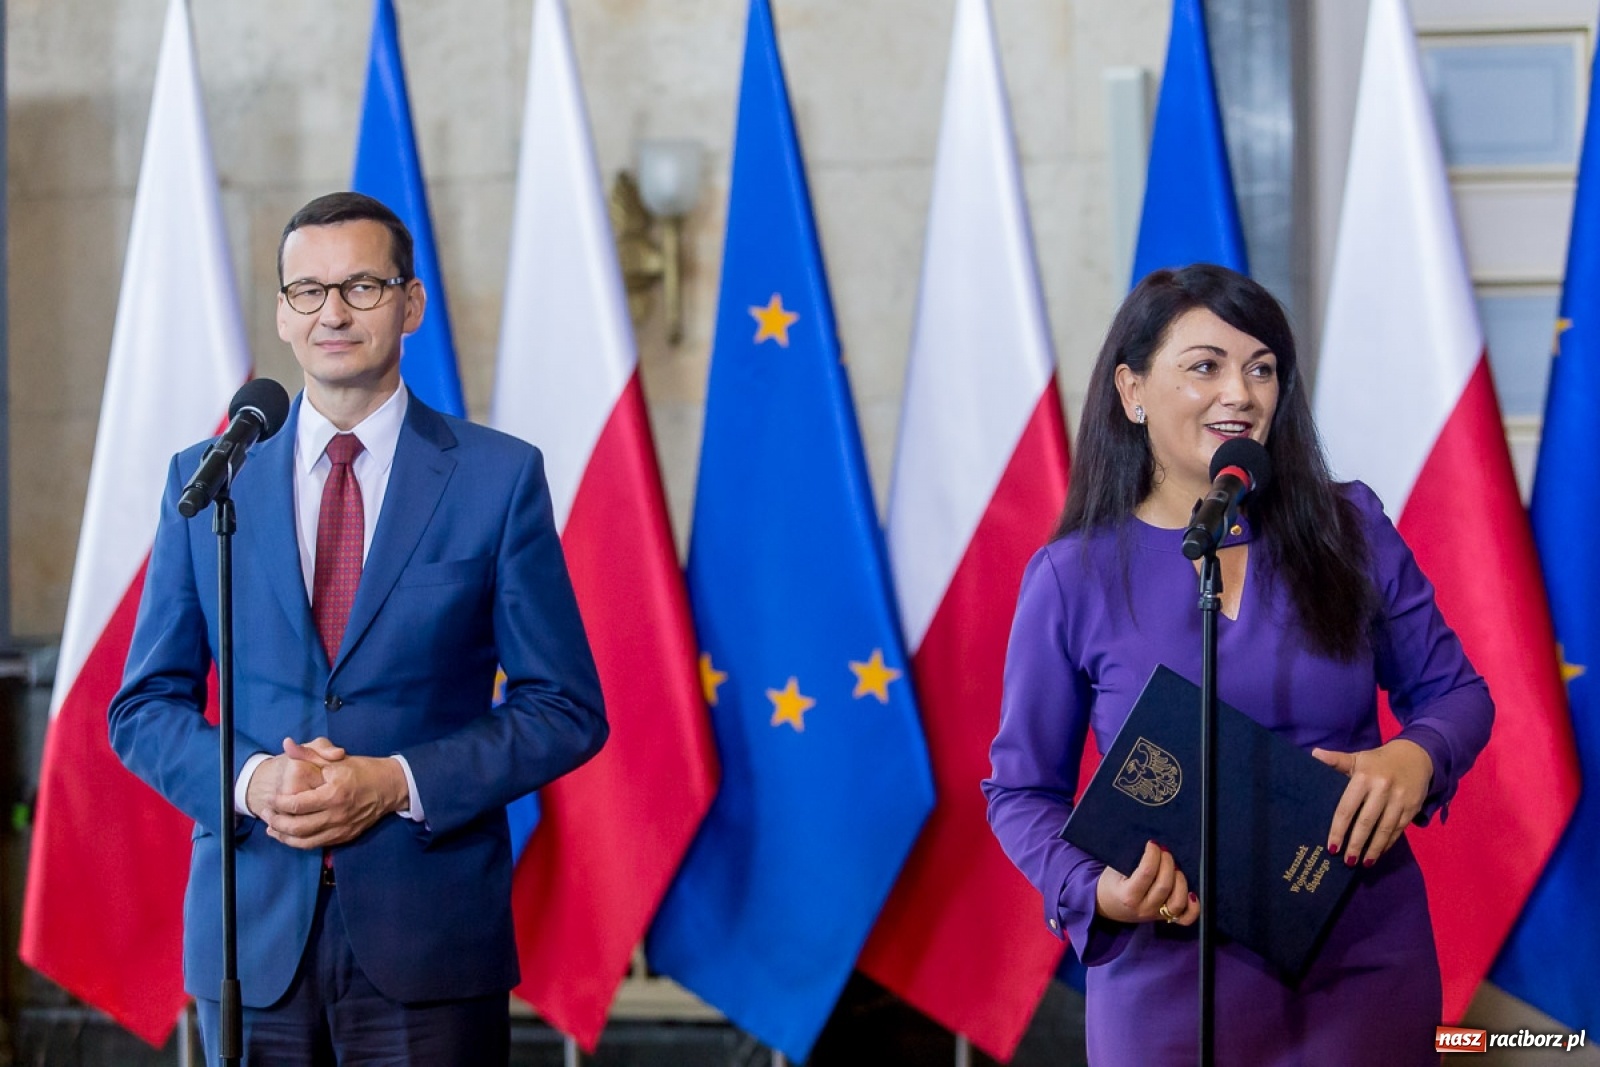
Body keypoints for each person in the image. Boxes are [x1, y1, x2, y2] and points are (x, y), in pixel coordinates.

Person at [109, 191, 607, 1064]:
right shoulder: (209, 481)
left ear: (411, 304)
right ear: (283, 313)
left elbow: (565, 707)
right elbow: (143, 705)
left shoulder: (497, 478)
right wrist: (253, 780)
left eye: (363, 286)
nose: (333, 310)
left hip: (430, 937)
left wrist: (397, 779)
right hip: (250, 939)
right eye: (308, 290)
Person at [984, 264, 1493, 1065]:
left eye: (1262, 368)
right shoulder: (1070, 576)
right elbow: (1020, 789)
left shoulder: (1347, 526)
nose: (1241, 393)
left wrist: (1416, 756)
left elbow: (1456, 694)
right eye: (1206, 366)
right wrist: (1095, 891)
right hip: (1166, 973)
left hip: (1362, 957)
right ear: (1132, 390)